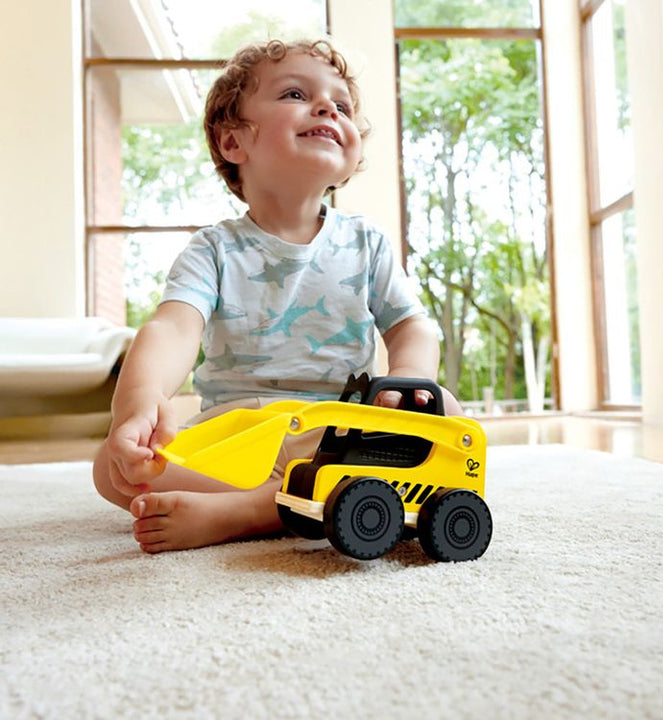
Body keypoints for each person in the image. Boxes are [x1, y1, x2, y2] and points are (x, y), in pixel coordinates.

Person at [93, 38, 462, 553]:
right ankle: (296, 502)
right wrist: (139, 404)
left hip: (340, 430)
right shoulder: (213, 249)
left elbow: (410, 326)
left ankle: (247, 512)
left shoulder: (367, 242)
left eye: (342, 105)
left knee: (447, 412)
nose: (328, 108)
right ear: (233, 143)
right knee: (113, 469)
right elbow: (173, 328)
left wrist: (407, 383)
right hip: (239, 431)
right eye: (295, 94)